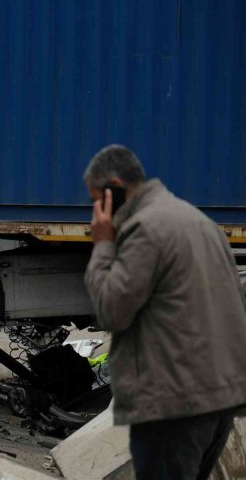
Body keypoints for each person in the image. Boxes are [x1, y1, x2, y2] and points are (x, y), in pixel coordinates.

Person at [83, 144, 246, 480]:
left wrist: (102, 245)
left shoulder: (145, 229)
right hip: (217, 405)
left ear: (114, 188)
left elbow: (112, 310)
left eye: (96, 201)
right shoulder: (202, 224)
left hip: (173, 408)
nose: (96, 212)